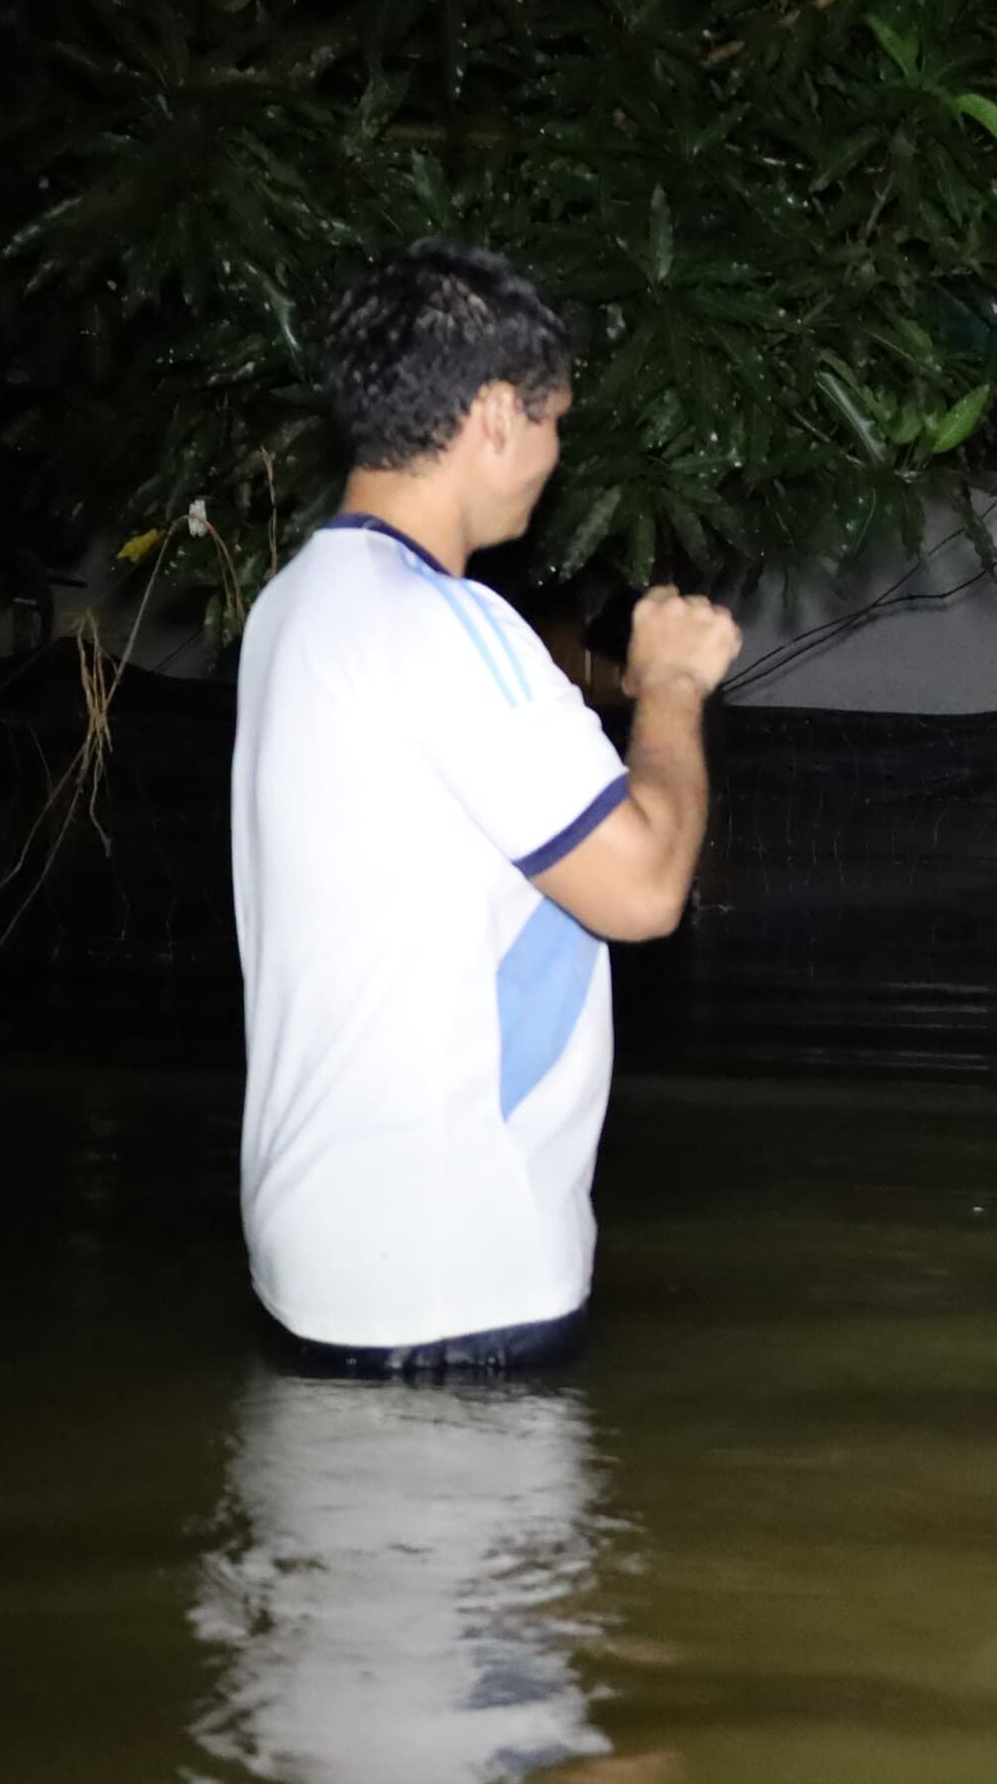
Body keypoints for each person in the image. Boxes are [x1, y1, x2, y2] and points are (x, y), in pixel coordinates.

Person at [229, 240, 744, 1373]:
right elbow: (646, 888)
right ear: (496, 416)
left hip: (319, 1260)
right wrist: (668, 685)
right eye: (555, 419)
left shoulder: (292, 607)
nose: (558, 453)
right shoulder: (448, 628)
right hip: (454, 1276)